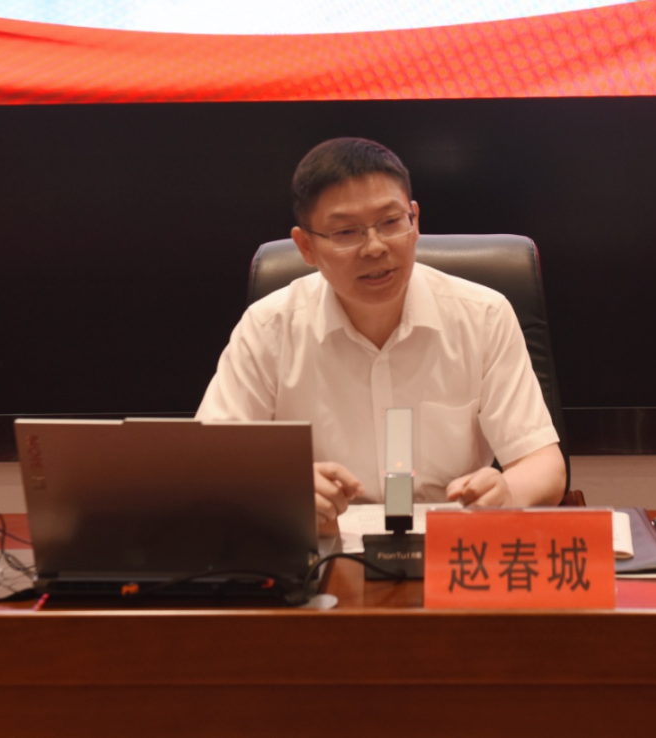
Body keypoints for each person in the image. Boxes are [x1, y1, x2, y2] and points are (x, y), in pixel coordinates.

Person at [196, 137, 565, 524]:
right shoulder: (268, 328)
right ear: (306, 246)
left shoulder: (483, 316)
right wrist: (280, 488)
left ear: (414, 221)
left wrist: (508, 493)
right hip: (321, 547)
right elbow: (208, 463)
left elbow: (543, 464)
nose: (374, 248)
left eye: (390, 223)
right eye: (345, 232)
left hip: (446, 545)